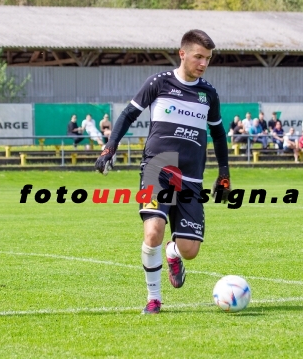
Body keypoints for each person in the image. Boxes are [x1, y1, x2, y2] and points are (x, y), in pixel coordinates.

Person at [94, 29, 231, 315]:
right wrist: (110, 148)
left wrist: (224, 172)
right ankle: (154, 298)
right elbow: (128, 114)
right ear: (182, 54)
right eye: (198, 57)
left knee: (190, 250)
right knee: (153, 231)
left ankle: (173, 253)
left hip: (192, 173)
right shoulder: (159, 82)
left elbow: (218, 134)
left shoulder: (208, 94)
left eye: (207, 58)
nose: (203, 63)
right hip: (158, 166)